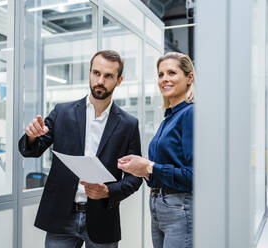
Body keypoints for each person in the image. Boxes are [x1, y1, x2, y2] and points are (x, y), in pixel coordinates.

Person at [18, 50, 143, 248]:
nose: (100, 80)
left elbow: (135, 178)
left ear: (119, 80)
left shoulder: (128, 124)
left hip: (103, 217)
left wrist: (108, 191)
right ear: (90, 73)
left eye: (109, 76)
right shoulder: (62, 112)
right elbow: (31, 150)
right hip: (61, 216)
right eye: (96, 73)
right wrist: (32, 136)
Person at [118, 52, 194, 248]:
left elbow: (194, 175)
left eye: (172, 73)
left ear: (189, 78)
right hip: (159, 205)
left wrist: (150, 167)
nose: (164, 79)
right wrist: (141, 168)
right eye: (161, 74)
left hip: (180, 207)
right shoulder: (168, 118)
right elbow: (163, 169)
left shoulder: (191, 113)